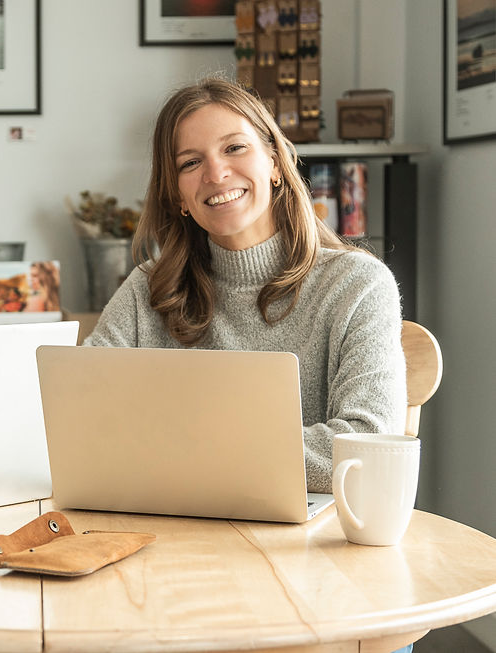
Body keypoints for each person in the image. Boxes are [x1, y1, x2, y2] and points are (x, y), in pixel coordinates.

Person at [84, 78, 407, 496]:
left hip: (308, 533)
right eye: (190, 163)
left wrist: (185, 447)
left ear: (275, 163)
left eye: (234, 148)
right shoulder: (148, 288)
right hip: (169, 521)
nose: (216, 174)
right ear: (177, 195)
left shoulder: (358, 285)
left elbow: (368, 446)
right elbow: (82, 415)